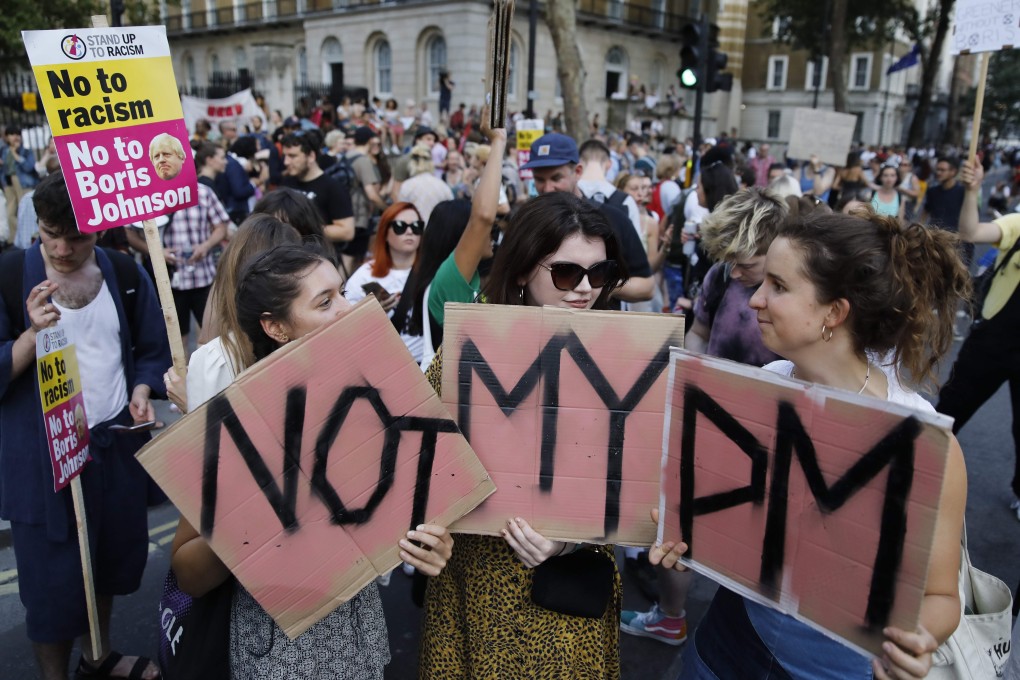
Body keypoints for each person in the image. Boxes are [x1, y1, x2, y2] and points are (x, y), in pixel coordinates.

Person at [656, 208, 970, 680]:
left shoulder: (921, 442)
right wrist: (685, 543)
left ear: (834, 312)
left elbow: (943, 596)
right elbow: (729, 530)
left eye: (779, 286)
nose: (754, 300)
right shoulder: (762, 387)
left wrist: (918, 641)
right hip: (726, 647)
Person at [171, 245, 454, 678]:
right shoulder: (241, 421)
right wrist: (262, 511)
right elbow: (189, 571)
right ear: (276, 327)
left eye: (342, 293)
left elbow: (397, 515)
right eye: (325, 302)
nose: (349, 309)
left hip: (359, 640)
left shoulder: (376, 396)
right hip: (281, 653)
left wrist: (428, 543)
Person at [419, 191, 628, 678]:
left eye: (600, 274)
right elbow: (417, 456)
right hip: (473, 579)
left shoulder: (624, 358)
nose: (584, 289)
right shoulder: (470, 348)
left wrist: (570, 542)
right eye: (564, 272)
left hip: (564, 602)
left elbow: (632, 485)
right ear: (519, 271)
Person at [0, 171, 170, 680]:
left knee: (108, 563)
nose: (63, 247)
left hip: (112, 444)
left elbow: (150, 349)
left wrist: (142, 390)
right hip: (44, 458)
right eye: (52, 233)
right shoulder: (10, 276)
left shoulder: (122, 269)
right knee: (52, 587)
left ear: (101, 231)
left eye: (78, 237)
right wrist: (31, 335)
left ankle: (98, 658)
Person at [937, 159, 1020, 520]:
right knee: (950, 409)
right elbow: (970, 231)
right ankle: (919, 467)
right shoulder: (1017, 224)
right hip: (992, 341)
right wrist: (973, 190)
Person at [524, 132, 654, 303]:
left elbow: (646, 286)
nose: (548, 188)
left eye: (556, 178)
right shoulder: (527, 222)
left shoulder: (613, 218)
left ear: (577, 172)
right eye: (539, 180)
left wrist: (599, 282)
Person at [344, 202, 425, 361]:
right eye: (400, 226)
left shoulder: (433, 273)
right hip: (381, 364)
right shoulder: (364, 276)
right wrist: (370, 315)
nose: (409, 231)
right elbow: (346, 328)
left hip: (425, 367)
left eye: (416, 226)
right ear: (385, 233)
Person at [280, 131, 355, 261]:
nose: (286, 162)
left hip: (319, 261)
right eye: (285, 156)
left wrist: (301, 231)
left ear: (311, 156)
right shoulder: (287, 182)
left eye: (292, 156)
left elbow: (347, 231)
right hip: (289, 258)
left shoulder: (333, 187)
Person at [922, 156, 972, 264]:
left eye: (942, 170)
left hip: (957, 244)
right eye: (937, 169)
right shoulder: (932, 191)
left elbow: (971, 219)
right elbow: (926, 211)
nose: (938, 172)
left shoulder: (963, 193)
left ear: (953, 172)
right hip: (935, 242)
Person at [396, 144, 454, 224]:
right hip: (438, 232)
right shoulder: (443, 186)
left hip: (415, 231)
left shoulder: (407, 186)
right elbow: (451, 213)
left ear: (412, 163)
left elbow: (401, 214)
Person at [3, 125, 39, 242]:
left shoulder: (26, 152)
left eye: (18, 134)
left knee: (26, 212)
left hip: (24, 184)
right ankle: (14, 239)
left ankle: (28, 238)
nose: (15, 137)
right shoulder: (3, 150)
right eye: (12, 134)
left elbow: (29, 167)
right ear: (7, 137)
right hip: (8, 184)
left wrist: (16, 154)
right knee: (10, 213)